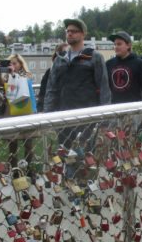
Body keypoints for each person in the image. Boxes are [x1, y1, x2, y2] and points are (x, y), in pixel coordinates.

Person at [43, 18, 111, 152]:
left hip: (87, 118)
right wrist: (47, 116)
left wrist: (105, 119)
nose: (70, 34)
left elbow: (104, 88)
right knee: (66, 157)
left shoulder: (94, 57)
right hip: (64, 117)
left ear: (83, 34)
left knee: (84, 159)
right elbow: (51, 89)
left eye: (74, 31)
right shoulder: (60, 59)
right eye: (68, 31)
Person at [0, 53, 37, 177]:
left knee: (28, 143)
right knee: (12, 143)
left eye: (15, 63)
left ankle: (28, 167)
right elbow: (1, 84)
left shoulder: (25, 74)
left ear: (20, 64)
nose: (13, 65)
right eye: (10, 63)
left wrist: (13, 74)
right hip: (11, 110)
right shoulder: (7, 76)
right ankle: (15, 170)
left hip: (24, 109)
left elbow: (23, 83)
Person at [106, 32, 142, 104]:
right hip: (114, 107)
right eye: (115, 44)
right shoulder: (108, 64)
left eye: (119, 44)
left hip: (134, 107)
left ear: (128, 45)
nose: (116, 47)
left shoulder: (139, 63)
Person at [37, 43, 67, 112]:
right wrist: (40, 109)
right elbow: (43, 92)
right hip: (55, 108)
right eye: (65, 53)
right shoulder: (50, 72)